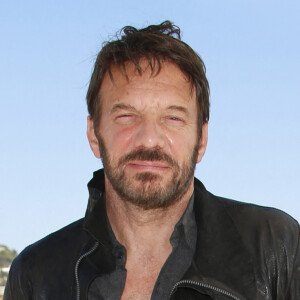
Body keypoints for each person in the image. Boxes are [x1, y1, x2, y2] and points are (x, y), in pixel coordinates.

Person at [4, 21, 300, 300]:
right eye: (126, 117)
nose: (148, 139)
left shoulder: (276, 247)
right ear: (94, 134)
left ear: (201, 140)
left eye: (172, 118)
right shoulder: (35, 275)